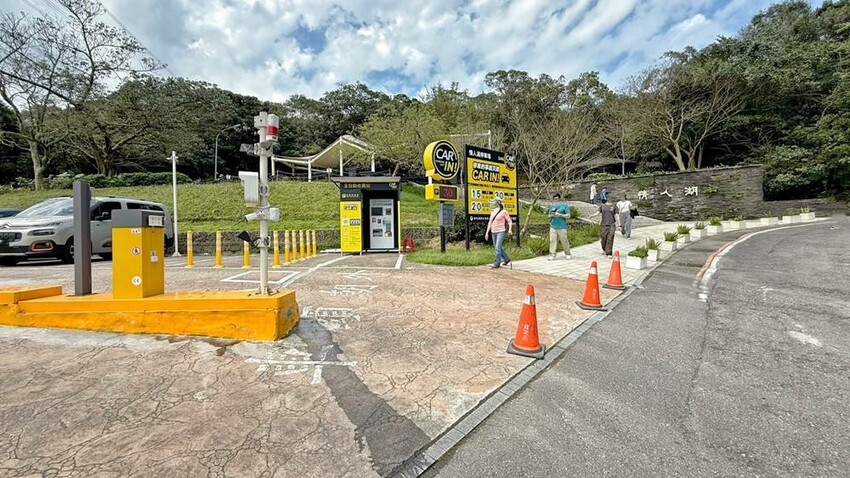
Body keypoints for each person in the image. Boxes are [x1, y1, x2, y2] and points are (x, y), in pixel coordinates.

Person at [484, 197, 512, 269]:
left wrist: (510, 230)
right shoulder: (493, 212)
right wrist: (487, 233)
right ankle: (507, 260)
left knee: (497, 248)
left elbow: (509, 221)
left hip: (501, 231)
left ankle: (497, 263)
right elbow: (490, 222)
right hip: (493, 231)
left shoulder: (504, 212)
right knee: (498, 248)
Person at [547, 193, 571, 260]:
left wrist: (560, 215)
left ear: (560, 199)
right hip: (553, 226)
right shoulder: (552, 206)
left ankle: (567, 253)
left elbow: (568, 215)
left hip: (562, 226)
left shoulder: (565, 206)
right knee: (552, 240)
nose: (556, 200)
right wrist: (552, 215)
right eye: (554, 199)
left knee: (564, 240)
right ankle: (552, 254)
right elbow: (548, 215)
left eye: (557, 199)